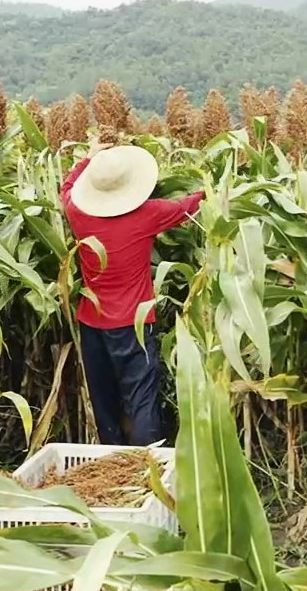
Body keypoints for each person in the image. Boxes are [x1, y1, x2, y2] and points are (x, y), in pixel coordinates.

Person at [60, 133, 203, 446]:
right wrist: (215, 189)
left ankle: (111, 465)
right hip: (133, 325)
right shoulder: (148, 214)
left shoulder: (78, 213)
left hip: (91, 324)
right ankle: (147, 465)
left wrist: (87, 156)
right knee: (141, 398)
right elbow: (189, 206)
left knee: (104, 401)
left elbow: (67, 189)